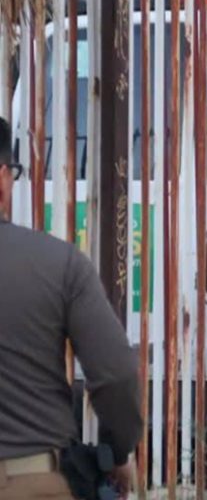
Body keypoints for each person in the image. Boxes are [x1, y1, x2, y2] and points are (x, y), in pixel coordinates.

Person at [0, 116, 142, 499]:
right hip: (30, 482)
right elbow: (116, 374)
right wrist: (116, 450)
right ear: (1, 178)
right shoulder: (57, 264)